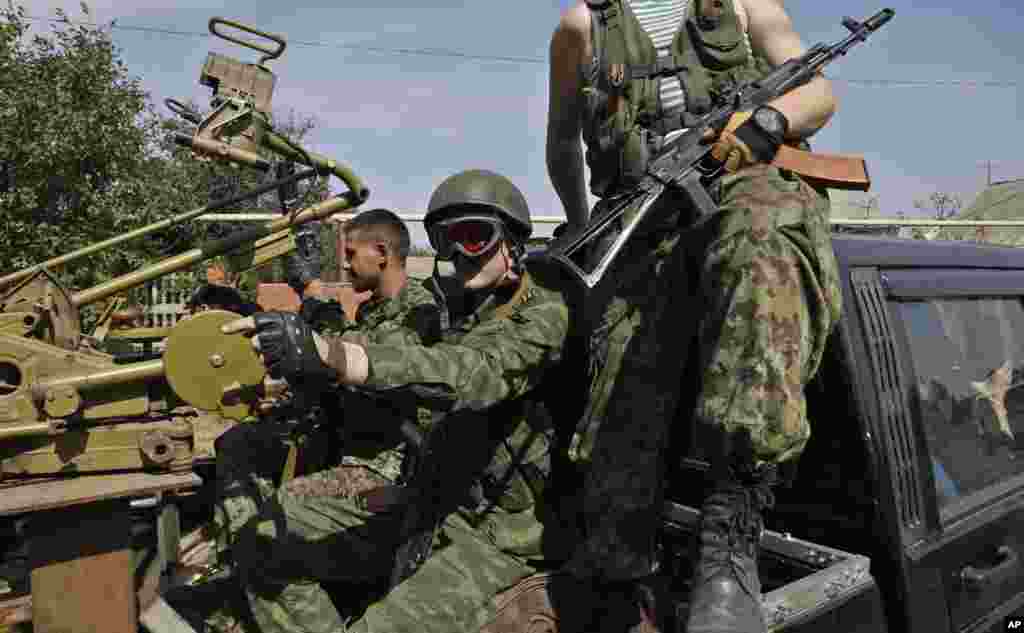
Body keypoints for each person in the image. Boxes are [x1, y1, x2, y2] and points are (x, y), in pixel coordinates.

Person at [547, 1, 843, 632]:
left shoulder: (745, 3)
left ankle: (729, 546)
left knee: (761, 243)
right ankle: (625, 579)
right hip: (639, 220)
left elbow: (819, 93)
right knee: (616, 426)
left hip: (743, 189)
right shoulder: (581, 25)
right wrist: (583, 231)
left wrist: (770, 120)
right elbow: (562, 143)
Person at [220, 169, 597, 633]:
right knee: (264, 545)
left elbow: (471, 372)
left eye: (474, 237)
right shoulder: (471, 309)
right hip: (436, 503)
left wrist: (330, 354)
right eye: (444, 240)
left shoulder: (545, 310)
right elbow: (400, 354)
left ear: (512, 238)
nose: (459, 254)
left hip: (505, 535)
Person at [206, 208, 441, 589]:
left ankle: (262, 570)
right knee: (239, 444)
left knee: (282, 509)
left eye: (350, 254)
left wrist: (314, 297)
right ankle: (239, 563)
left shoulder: (420, 310)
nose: (344, 265)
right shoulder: (372, 307)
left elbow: (362, 357)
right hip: (339, 438)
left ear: (382, 253)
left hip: (384, 465)